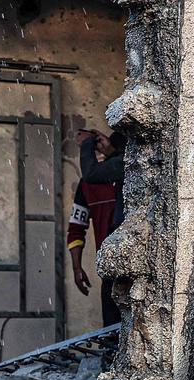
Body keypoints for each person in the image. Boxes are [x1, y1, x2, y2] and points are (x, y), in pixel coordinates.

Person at [73, 129, 126, 326]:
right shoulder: (89, 185)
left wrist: (87, 144)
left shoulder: (128, 166)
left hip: (122, 262)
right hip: (110, 265)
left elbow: (91, 172)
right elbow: (77, 225)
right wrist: (77, 266)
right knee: (113, 328)